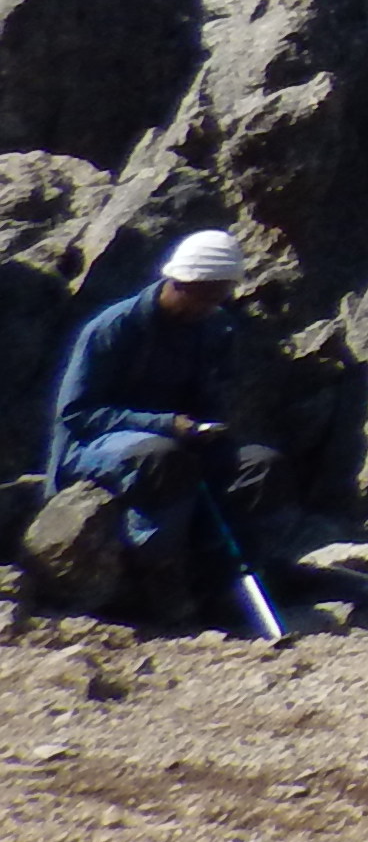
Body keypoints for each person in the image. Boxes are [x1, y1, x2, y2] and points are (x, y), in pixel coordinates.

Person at [44, 229, 279, 619]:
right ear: (182, 283)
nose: (212, 306)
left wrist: (209, 429)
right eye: (207, 296)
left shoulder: (215, 329)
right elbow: (77, 413)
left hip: (180, 440)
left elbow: (211, 396)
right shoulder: (111, 329)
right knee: (161, 456)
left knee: (260, 465)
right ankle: (159, 574)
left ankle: (226, 577)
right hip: (94, 447)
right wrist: (168, 424)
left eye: (220, 296)